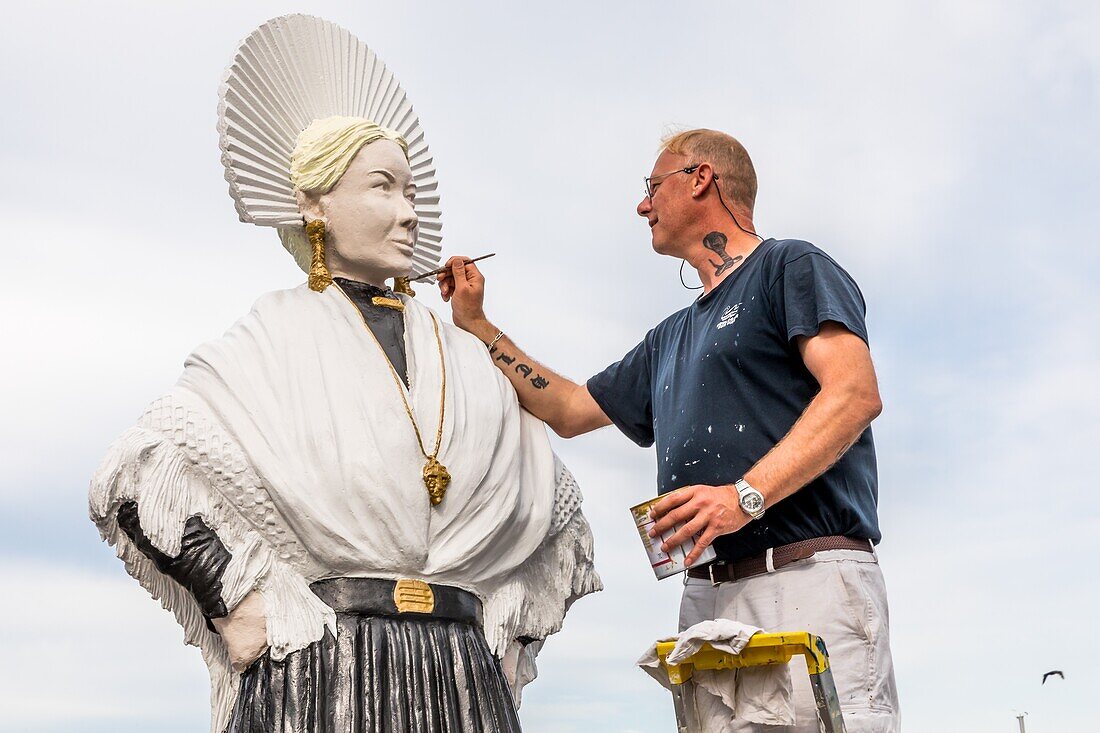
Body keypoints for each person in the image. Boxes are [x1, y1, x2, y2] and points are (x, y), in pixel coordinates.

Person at [89, 16, 600, 733]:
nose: (408, 214)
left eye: (414, 195)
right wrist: (239, 603)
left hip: (459, 671)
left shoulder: (457, 353)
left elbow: (554, 507)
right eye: (383, 188)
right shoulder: (272, 336)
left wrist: (504, 634)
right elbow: (139, 473)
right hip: (324, 669)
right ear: (314, 203)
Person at [438, 128, 899, 731]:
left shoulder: (789, 267)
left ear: (701, 178)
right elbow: (572, 410)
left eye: (652, 187)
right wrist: (476, 324)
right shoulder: (670, 337)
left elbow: (854, 394)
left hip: (808, 580)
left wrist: (743, 497)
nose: (642, 205)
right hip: (708, 597)